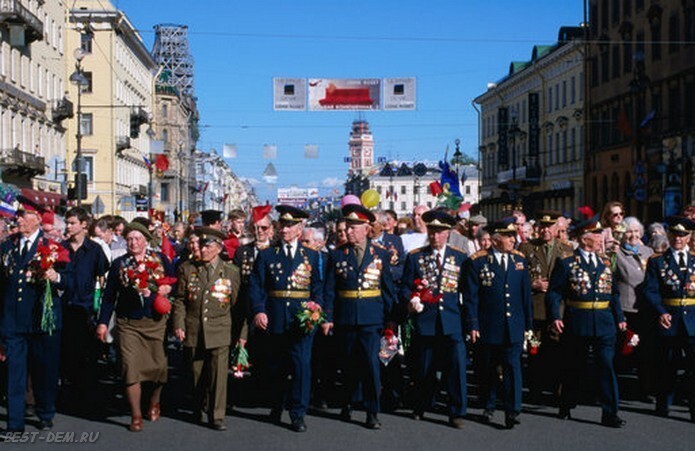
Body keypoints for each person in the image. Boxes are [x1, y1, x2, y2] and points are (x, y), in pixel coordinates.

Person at [546, 216, 627, 428]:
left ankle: (610, 412)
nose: (601, 239)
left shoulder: (605, 262)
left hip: (604, 322)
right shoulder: (567, 264)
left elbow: (614, 293)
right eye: (597, 235)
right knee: (574, 365)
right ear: (584, 239)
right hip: (578, 321)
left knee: (606, 365)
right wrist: (555, 316)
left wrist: (619, 317)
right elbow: (554, 293)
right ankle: (566, 402)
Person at [95, 221, 175, 432]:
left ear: (146, 241)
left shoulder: (161, 260)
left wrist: (166, 290)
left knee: (159, 369)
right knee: (131, 369)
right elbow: (109, 297)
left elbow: (174, 286)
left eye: (137, 238)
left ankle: (154, 401)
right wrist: (103, 323)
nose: (133, 242)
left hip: (155, 323)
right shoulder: (120, 264)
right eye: (129, 239)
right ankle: (136, 414)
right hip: (128, 324)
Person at [249, 205, 322, 433]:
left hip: (301, 320)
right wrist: (259, 310)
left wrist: (316, 309)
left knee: (301, 367)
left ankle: (298, 412)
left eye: (290, 225)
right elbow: (256, 286)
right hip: (276, 317)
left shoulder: (310, 255)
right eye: (282, 224)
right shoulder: (267, 254)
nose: (285, 229)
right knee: (276, 366)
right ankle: (276, 404)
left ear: (300, 228)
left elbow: (318, 287)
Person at [0, 196, 71, 432]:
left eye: (22, 215)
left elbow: (72, 281)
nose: (17, 219)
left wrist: (57, 277)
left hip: (42, 319)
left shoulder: (52, 247)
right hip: (14, 320)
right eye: (17, 215)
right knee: (15, 372)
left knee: (44, 370)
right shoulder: (7, 246)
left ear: (37, 218)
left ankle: (45, 411)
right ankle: (15, 422)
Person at [323, 204, 396, 429]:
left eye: (355, 227)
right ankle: (347, 402)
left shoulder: (380, 254)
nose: (351, 231)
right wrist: (328, 317)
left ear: (367, 228)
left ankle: (372, 410)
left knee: (372, 366)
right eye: (349, 227)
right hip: (346, 317)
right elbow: (329, 290)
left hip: (371, 319)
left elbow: (387, 289)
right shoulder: (337, 254)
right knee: (347, 363)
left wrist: (391, 320)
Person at [464, 217, 532, 429]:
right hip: (488, 325)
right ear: (495, 240)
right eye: (508, 236)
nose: (513, 239)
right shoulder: (477, 262)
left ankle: (512, 410)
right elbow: (471, 297)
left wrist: (528, 326)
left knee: (512, 365)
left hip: (514, 325)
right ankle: (489, 404)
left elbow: (525, 296)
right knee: (488, 367)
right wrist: (473, 324)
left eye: (513, 235)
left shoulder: (519, 261)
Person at [402, 210, 468, 428]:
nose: (435, 236)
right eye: (432, 231)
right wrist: (411, 299)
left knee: (456, 368)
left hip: (452, 320)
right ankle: (421, 405)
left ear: (448, 233)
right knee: (424, 367)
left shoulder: (459, 257)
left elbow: (468, 293)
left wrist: (470, 323)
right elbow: (404, 287)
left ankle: (456, 411)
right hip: (426, 320)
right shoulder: (416, 257)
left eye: (440, 232)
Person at [173, 227, 242, 431]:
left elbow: (237, 306)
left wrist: (241, 335)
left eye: (206, 246)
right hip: (194, 329)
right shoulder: (187, 268)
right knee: (196, 374)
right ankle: (199, 405)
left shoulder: (231, 272)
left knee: (218, 376)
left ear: (218, 248)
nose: (201, 249)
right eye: (201, 245)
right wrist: (179, 324)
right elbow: (179, 301)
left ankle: (217, 415)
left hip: (220, 329)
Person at [643, 216, 695, 422]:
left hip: (692, 319)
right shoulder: (658, 261)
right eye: (674, 234)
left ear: (689, 237)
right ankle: (663, 404)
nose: (678, 239)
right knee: (666, 365)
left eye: (683, 235)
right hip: (670, 318)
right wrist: (660, 311)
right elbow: (650, 290)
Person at [518, 211, 573, 401]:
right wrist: (533, 284)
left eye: (549, 226)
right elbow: (518, 277)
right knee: (535, 349)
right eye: (542, 226)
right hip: (536, 309)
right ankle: (535, 388)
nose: (545, 230)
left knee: (557, 350)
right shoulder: (526, 248)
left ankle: (556, 389)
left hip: (559, 309)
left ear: (557, 228)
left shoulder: (566, 250)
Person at [60, 207, 109, 413]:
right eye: (67, 223)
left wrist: (99, 306)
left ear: (83, 225)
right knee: (65, 354)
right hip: (64, 306)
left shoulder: (94, 250)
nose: (68, 226)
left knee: (84, 355)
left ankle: (84, 397)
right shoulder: (61, 247)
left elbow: (102, 274)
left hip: (84, 307)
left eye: (72, 223)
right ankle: (67, 395)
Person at [614, 216, 655, 399]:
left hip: (645, 309)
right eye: (629, 231)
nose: (633, 235)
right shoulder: (618, 253)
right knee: (623, 350)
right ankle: (618, 389)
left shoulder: (649, 251)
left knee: (645, 352)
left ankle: (645, 388)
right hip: (626, 308)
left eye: (636, 231)